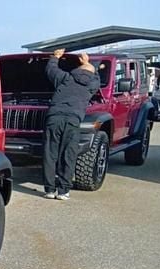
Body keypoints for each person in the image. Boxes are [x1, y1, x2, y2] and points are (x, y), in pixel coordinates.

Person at [42, 48, 100, 200]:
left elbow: (51, 70)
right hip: (73, 120)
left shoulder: (66, 78)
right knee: (69, 154)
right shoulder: (91, 84)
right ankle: (63, 191)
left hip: (54, 118)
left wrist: (56, 57)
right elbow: (97, 78)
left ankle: (49, 190)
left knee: (50, 153)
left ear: (76, 69)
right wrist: (88, 62)